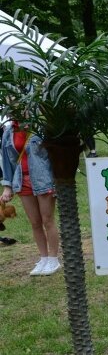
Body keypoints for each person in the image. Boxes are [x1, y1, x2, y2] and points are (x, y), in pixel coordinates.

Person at [1, 118, 60, 275]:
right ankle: (44, 258)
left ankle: (54, 259)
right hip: (22, 180)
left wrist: (58, 179)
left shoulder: (40, 127)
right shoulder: (8, 132)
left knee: (47, 220)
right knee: (35, 222)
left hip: (43, 179)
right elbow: (6, 161)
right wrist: (7, 186)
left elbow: (55, 153)